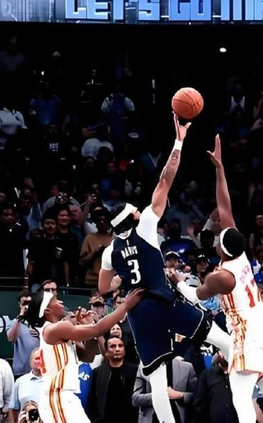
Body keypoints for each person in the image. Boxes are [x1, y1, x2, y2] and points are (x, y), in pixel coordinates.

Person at [97, 115, 231, 423]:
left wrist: (125, 279)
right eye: (135, 210)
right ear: (132, 218)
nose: (139, 210)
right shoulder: (145, 225)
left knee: (156, 380)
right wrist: (178, 142)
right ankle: (244, 399)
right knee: (226, 342)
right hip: (163, 300)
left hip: (139, 313)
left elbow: (104, 289)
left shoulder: (109, 252)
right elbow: (165, 179)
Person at [178, 134, 263, 423]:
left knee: (241, 396)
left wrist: (178, 280)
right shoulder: (239, 254)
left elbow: (196, 296)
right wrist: (219, 169)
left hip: (247, 334)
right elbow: (225, 207)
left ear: (221, 249)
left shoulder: (223, 277)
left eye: (218, 239)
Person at [21, 288, 142, 423]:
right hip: (57, 396)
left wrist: (88, 324)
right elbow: (97, 330)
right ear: (48, 310)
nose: (61, 302)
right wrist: (125, 306)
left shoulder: (60, 333)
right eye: (56, 300)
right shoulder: (53, 329)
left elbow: (87, 356)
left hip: (66, 397)